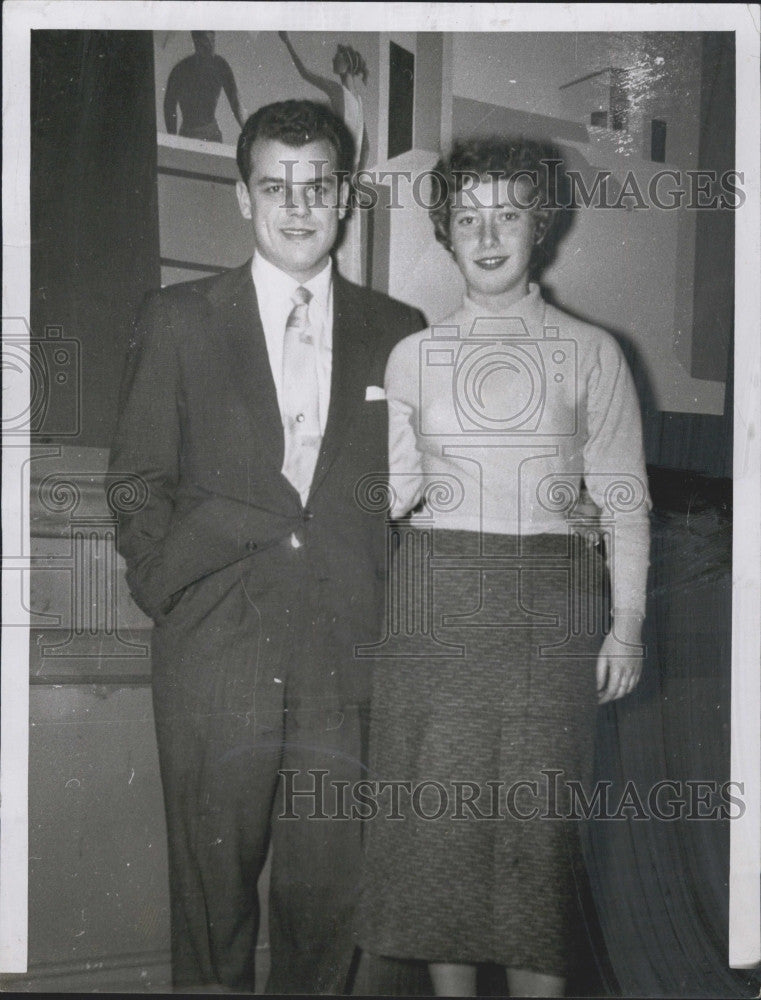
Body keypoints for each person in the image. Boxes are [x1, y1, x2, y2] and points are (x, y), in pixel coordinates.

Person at [109, 99, 425, 994]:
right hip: (216, 648)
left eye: (317, 185)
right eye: (274, 186)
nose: (297, 205)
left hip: (345, 657)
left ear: (344, 197)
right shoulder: (177, 318)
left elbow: (409, 492)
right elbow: (136, 484)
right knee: (211, 901)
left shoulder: (399, 331)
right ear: (244, 198)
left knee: (329, 901)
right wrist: (168, 592)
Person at [358, 138, 651, 997]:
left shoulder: (592, 350)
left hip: (549, 612)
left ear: (540, 226)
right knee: (440, 842)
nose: (488, 234)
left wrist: (626, 622)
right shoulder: (411, 356)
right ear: (445, 232)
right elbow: (390, 494)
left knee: (535, 846)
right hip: (435, 602)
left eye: (509, 214)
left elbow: (624, 496)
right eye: (467, 216)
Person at [279, 31, 369, 170]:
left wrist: (287, 42)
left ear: (347, 64)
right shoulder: (359, 102)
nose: (332, 60)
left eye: (337, 57)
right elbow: (366, 147)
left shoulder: (338, 90)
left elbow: (304, 72)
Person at [164, 31, 246, 143]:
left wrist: (248, 132)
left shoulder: (220, 65)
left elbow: (235, 102)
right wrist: (172, 140)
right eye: (205, 42)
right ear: (196, 42)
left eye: (213, 41)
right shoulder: (181, 69)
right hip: (187, 134)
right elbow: (169, 106)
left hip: (211, 134)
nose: (210, 47)